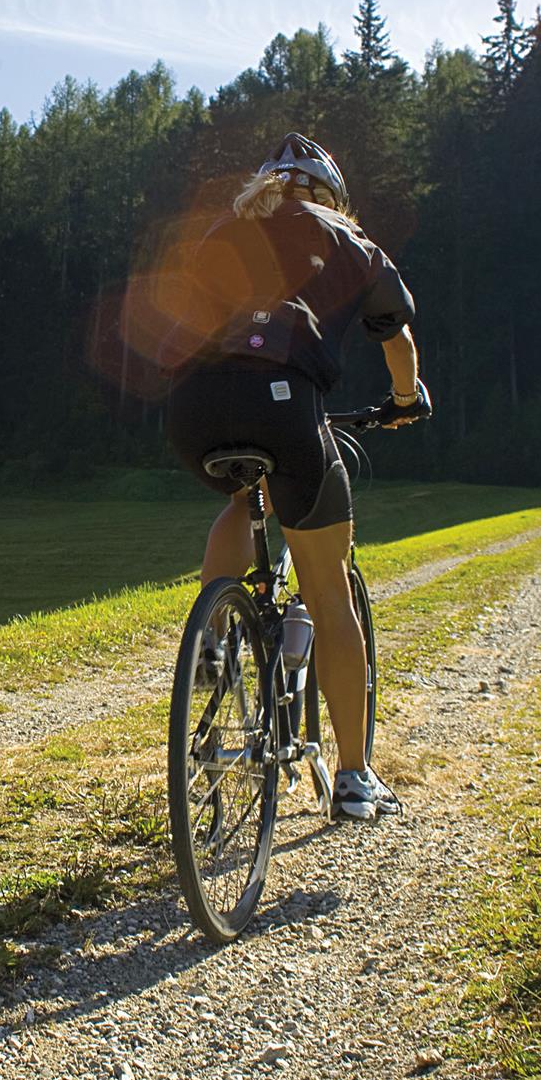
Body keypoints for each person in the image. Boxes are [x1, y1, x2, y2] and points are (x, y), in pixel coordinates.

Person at [153, 133, 430, 821]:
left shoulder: (228, 223)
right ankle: (357, 779)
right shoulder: (344, 236)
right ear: (330, 196)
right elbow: (395, 334)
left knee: (248, 492)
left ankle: (214, 634)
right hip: (284, 404)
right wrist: (405, 398)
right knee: (330, 596)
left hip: (193, 407)